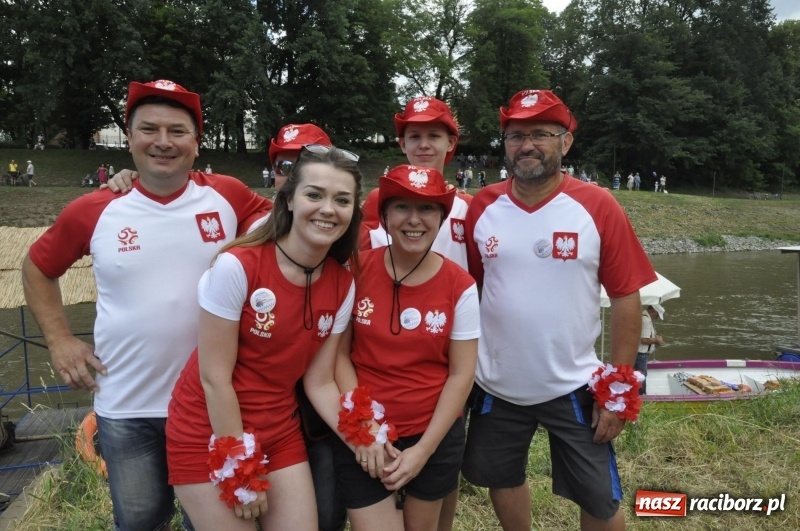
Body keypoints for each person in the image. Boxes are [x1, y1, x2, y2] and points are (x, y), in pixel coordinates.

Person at [21, 79, 271, 531]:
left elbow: (295, 225)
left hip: (212, 405)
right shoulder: (95, 208)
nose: (162, 142)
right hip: (127, 407)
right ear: (130, 138)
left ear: (197, 142)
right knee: (140, 522)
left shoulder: (229, 196)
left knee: (214, 524)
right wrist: (59, 340)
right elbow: (38, 267)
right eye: (148, 129)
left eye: (177, 131)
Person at [461, 89, 656, 531]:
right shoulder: (482, 206)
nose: (526, 145)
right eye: (515, 135)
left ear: (565, 142)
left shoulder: (598, 205)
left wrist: (619, 388)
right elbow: (472, 288)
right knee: (500, 477)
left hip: (573, 383)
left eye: (541, 134)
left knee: (600, 499)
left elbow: (626, 295)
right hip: (497, 384)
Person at [166, 145, 362, 531]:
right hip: (208, 432)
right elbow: (214, 378)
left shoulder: (343, 283)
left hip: (279, 429)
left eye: (342, 200)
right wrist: (239, 468)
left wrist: (362, 439)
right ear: (288, 200)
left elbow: (320, 381)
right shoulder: (237, 267)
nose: (328, 209)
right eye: (314, 195)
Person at [332, 164, 479, 531]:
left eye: (427, 208)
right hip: (364, 429)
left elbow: (462, 374)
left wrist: (423, 451)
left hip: (432, 432)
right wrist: (365, 428)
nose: (414, 220)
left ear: (442, 218)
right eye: (401, 207)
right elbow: (338, 356)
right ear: (383, 216)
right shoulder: (355, 270)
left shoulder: (460, 286)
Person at [359, 96, 471, 271]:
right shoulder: (377, 199)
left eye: (434, 136)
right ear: (403, 144)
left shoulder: (468, 206)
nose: (424, 145)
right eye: (415, 136)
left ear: (450, 143)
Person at [636, 304, 665, 395]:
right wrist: (657, 340)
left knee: (638, 376)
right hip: (641, 354)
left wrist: (654, 337)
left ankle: (639, 396)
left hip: (638, 354)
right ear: (652, 311)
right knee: (641, 377)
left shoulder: (642, 317)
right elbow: (644, 340)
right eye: (657, 315)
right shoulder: (646, 320)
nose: (657, 318)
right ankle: (642, 397)